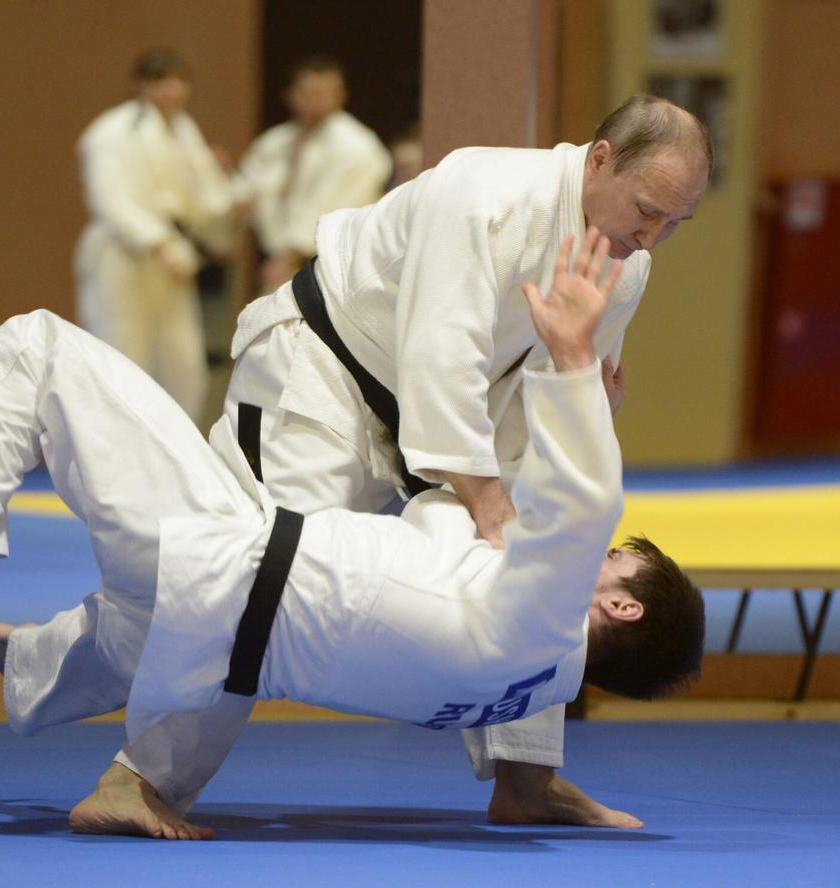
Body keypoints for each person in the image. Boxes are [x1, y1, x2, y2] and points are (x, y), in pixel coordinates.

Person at [0, 229, 705, 840]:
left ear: (620, 606)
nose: (604, 543)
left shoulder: (542, 610)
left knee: (36, 348)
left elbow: (577, 498)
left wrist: (576, 376)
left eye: (619, 556)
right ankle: (45, 679)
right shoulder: (522, 677)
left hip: (218, 556)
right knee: (145, 617)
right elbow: (457, 511)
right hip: (219, 638)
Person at [212, 94, 713, 821]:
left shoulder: (625, 265)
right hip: (325, 375)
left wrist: (554, 466)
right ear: (600, 159)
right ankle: (137, 768)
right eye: (647, 209)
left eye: (675, 222)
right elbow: (438, 353)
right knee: (249, 579)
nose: (654, 235)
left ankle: (526, 781)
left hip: (466, 423)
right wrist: (485, 503)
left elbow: (565, 387)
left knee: (543, 571)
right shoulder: (485, 193)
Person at [73, 48, 233, 423]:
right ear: (141, 85)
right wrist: (157, 242)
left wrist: (225, 205)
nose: (172, 90)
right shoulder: (112, 130)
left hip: (175, 257)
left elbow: (202, 196)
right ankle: (110, 455)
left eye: (179, 80)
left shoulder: (184, 129)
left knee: (184, 367)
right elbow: (110, 198)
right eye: (161, 80)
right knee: (121, 356)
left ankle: (176, 456)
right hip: (124, 256)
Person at [234, 55, 391, 293]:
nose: (318, 99)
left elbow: (335, 205)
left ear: (342, 95)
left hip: (327, 264)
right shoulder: (275, 142)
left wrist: (290, 256)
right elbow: (249, 188)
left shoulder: (357, 145)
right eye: (310, 91)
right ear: (291, 94)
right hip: (279, 258)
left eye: (327, 92)